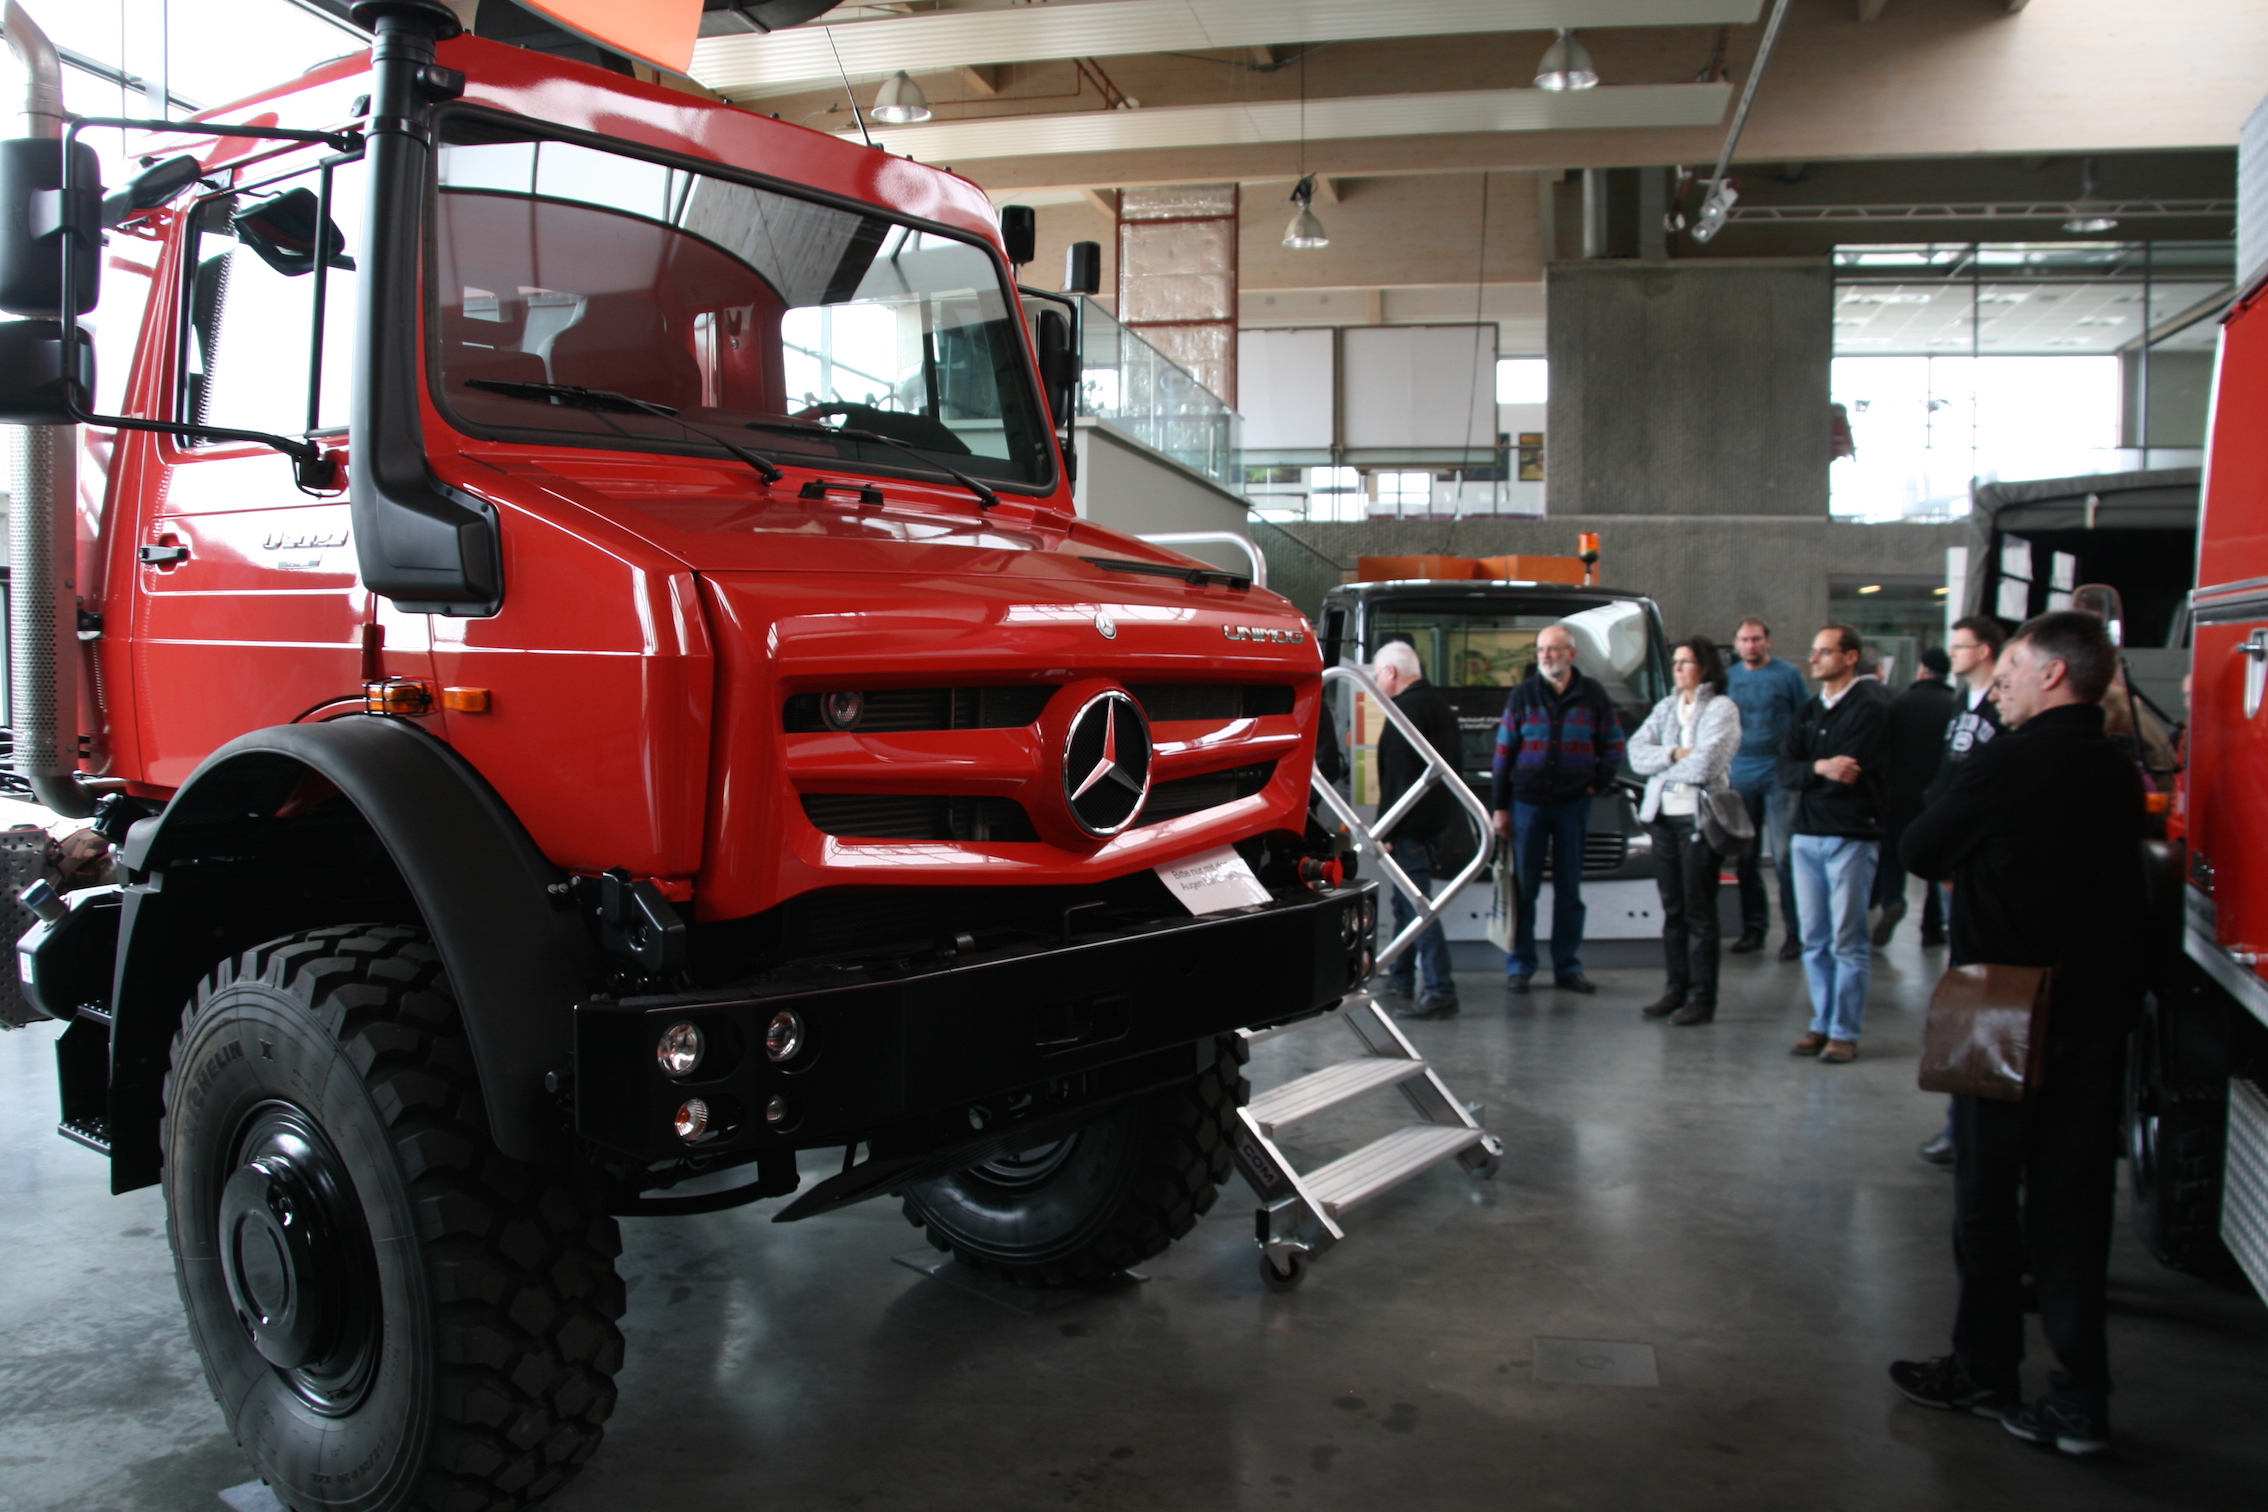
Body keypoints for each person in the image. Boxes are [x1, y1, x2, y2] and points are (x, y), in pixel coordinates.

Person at [1889, 611, 2147, 1459]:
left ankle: (1984, 1368)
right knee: (2074, 1205)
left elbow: (1922, 846)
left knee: (1987, 1198)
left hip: (2002, 1007)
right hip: (2095, 1011)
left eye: (2010, 674)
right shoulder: (2117, 770)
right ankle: (2080, 1399)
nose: (1997, 689)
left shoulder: (2007, 762)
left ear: (2053, 675)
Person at [1915, 616, 2008, 1167]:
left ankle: (1972, 1126)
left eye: (1961, 646)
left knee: (1983, 997)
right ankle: (1963, 1122)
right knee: (1962, 993)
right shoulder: (1960, 703)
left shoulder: (2002, 709)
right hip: (1954, 861)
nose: (1952, 654)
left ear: (1987, 650)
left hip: (1979, 869)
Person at [1491, 623, 1625, 996]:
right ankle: (1520, 966)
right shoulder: (1523, 694)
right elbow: (1503, 754)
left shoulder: (1593, 694)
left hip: (1573, 805)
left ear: (1571, 654)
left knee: (1569, 890)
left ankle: (1567, 967)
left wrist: (1597, 783)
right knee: (1524, 890)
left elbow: (1614, 744)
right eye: (1541, 650)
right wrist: (1500, 807)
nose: (1546, 656)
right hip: (1527, 805)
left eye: (1553, 649)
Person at [1777, 624, 1889, 1064]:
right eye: (1814, 651)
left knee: (1847, 939)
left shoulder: (1870, 709)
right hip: (1806, 835)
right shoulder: (1808, 711)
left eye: (1824, 651)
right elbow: (1785, 770)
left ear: (1850, 657)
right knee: (1814, 939)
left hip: (1850, 836)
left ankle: (1844, 1032)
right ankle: (1821, 1023)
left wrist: (1812, 771)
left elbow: (1850, 774)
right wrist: (1820, 767)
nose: (1814, 659)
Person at [1627, 637, 1742, 1025]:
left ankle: (1701, 998)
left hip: (1699, 820)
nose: (1677, 669)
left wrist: (1661, 767)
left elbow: (1706, 765)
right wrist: (1674, 754)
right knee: (1673, 909)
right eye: (1675, 662)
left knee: (1699, 911)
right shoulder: (1666, 707)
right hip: (1663, 818)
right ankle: (1674, 990)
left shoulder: (1722, 709)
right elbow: (1636, 753)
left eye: (1685, 662)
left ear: (1704, 668)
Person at [1370, 641, 1464, 1020]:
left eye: (1377, 674)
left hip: (1409, 827)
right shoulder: (1439, 706)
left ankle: (1441, 989)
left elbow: (1397, 778)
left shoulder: (1403, 712)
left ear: (1391, 672)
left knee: (1418, 907)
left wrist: (1385, 830)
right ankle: (1402, 976)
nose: (1376, 682)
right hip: (1436, 822)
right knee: (1404, 904)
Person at [1724, 618, 1810, 961]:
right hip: (1741, 773)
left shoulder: (1788, 675)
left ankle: (1795, 933)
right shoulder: (1729, 678)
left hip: (1779, 775)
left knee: (1784, 857)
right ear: (1736, 644)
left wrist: (1798, 762)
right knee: (1746, 858)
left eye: (1756, 639)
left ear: (1767, 641)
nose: (1751, 645)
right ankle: (1753, 929)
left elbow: (1806, 718)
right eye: (1745, 640)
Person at [1873, 646, 1956, 947]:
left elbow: (1882, 749)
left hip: (1897, 796)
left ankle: (1892, 900)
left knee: (1892, 855)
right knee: (1935, 862)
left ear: (1921, 669)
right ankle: (1931, 927)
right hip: (1936, 799)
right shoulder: (1954, 706)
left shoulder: (1899, 702)